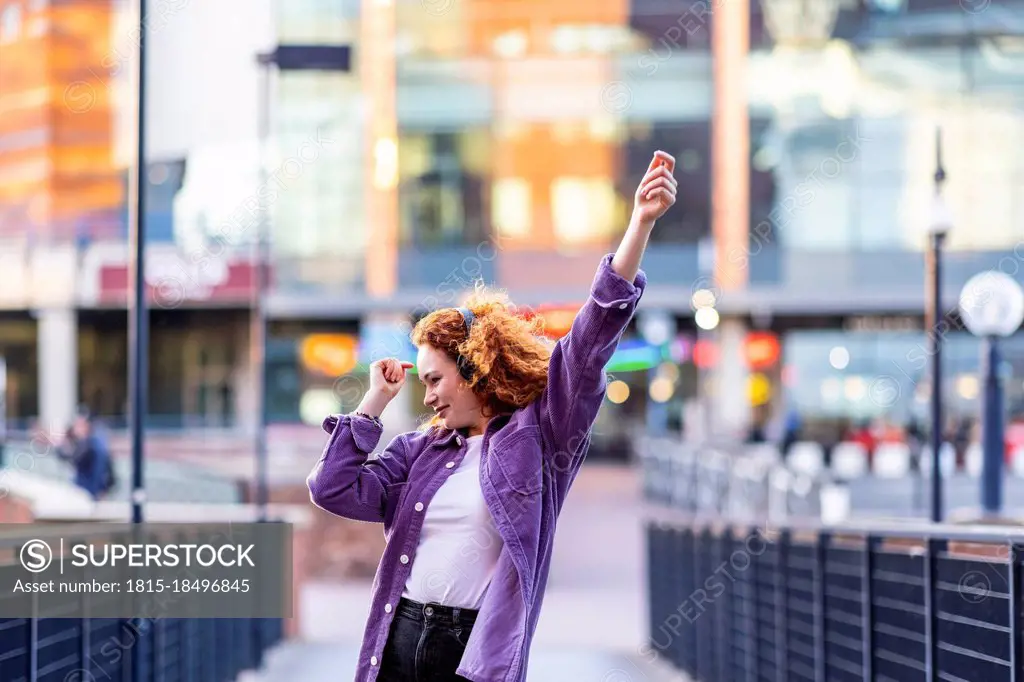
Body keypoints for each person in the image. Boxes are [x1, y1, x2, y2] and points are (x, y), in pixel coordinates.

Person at [307, 150, 677, 682]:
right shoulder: (422, 450)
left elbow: (589, 340)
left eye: (434, 379)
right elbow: (332, 489)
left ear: (476, 368)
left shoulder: (542, 435)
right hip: (399, 633)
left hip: (473, 651)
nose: (428, 396)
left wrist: (639, 224)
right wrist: (374, 404)